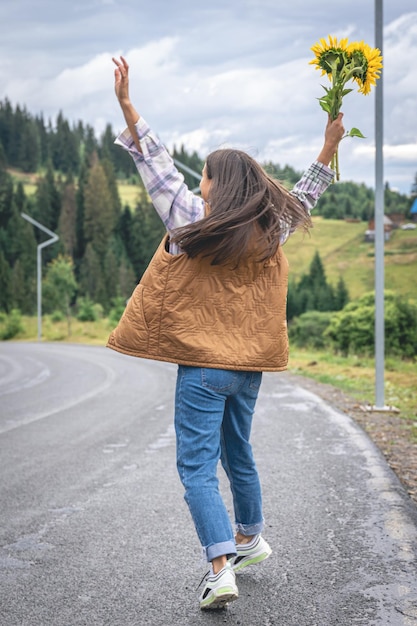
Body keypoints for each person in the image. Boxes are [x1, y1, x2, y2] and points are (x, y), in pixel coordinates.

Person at [107, 56, 345, 610]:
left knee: (195, 466)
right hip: (249, 369)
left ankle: (220, 567)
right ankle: (249, 537)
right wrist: (329, 145)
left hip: (205, 367)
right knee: (238, 450)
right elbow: (307, 193)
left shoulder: (192, 218)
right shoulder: (271, 227)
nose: (198, 181)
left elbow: (156, 165)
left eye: (206, 174)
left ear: (218, 183)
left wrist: (125, 104)